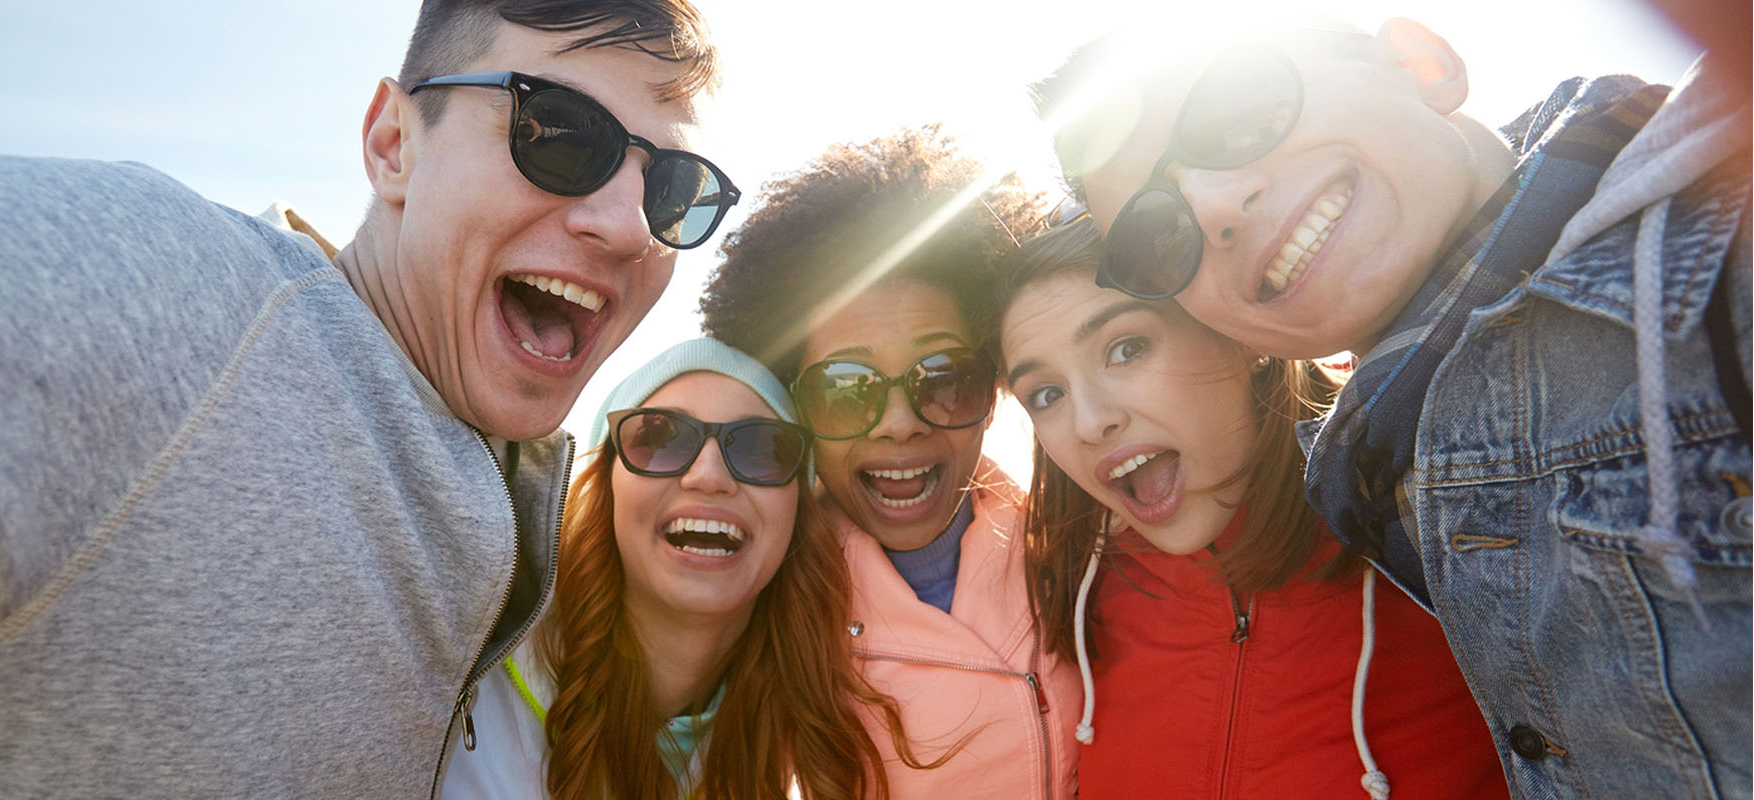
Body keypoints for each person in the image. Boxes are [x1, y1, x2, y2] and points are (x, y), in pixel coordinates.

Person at [0, 1, 737, 795]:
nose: (632, 228)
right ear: (393, 143)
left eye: (675, 191)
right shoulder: (163, 285)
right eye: (562, 134)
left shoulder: (501, 491)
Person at [1034, 17, 1750, 797]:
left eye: (1238, 113)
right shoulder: (1383, 472)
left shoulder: (1720, 240)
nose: (1212, 208)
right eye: (1156, 235)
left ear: (1421, 63)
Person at [994, 220, 1507, 799]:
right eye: (1047, 394)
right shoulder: (1075, 588)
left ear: (1238, 334)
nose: (1089, 423)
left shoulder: (1457, 539)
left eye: (1126, 348)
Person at [699, 127, 1083, 798]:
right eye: (847, 390)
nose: (901, 423)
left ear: (994, 389)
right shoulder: (766, 604)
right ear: (798, 409)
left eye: (944, 377)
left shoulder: (1080, 549)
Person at [443, 338, 920, 799]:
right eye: (659, 438)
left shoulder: (800, 745)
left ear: (798, 515)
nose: (709, 476)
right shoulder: (465, 660)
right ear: (607, 486)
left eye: (761, 448)